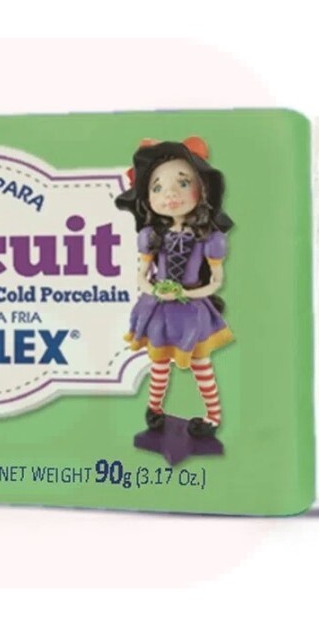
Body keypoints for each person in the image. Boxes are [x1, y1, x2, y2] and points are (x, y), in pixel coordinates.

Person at [114, 137, 235, 438]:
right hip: (159, 309)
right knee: (158, 363)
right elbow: (141, 275)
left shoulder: (210, 239)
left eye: (182, 183)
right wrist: (155, 290)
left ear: (203, 189)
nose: (169, 194)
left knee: (200, 362)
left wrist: (185, 293)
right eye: (157, 187)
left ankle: (213, 416)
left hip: (192, 310)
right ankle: (154, 409)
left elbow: (215, 282)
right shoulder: (150, 236)